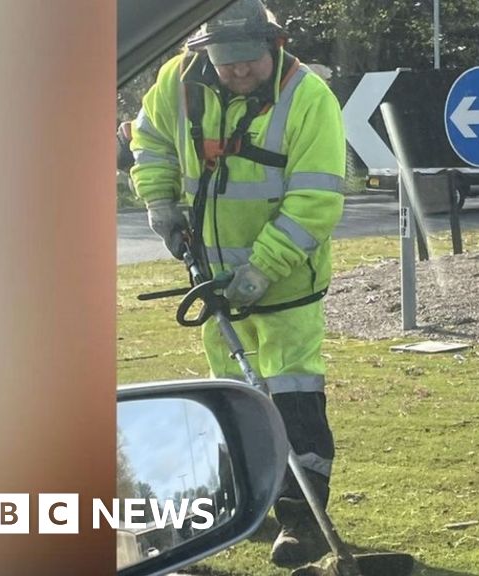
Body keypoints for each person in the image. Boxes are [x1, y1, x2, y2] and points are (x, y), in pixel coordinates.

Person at [128, 0, 345, 566]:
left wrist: (260, 271)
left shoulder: (308, 99)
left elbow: (315, 201)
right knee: (231, 396)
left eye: (249, 59)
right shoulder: (175, 81)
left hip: (286, 281)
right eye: (227, 61)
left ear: (272, 46)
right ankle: (241, 505)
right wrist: (160, 203)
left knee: (292, 392)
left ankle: (303, 519)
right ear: (204, 53)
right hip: (213, 277)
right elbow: (148, 141)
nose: (239, 71)